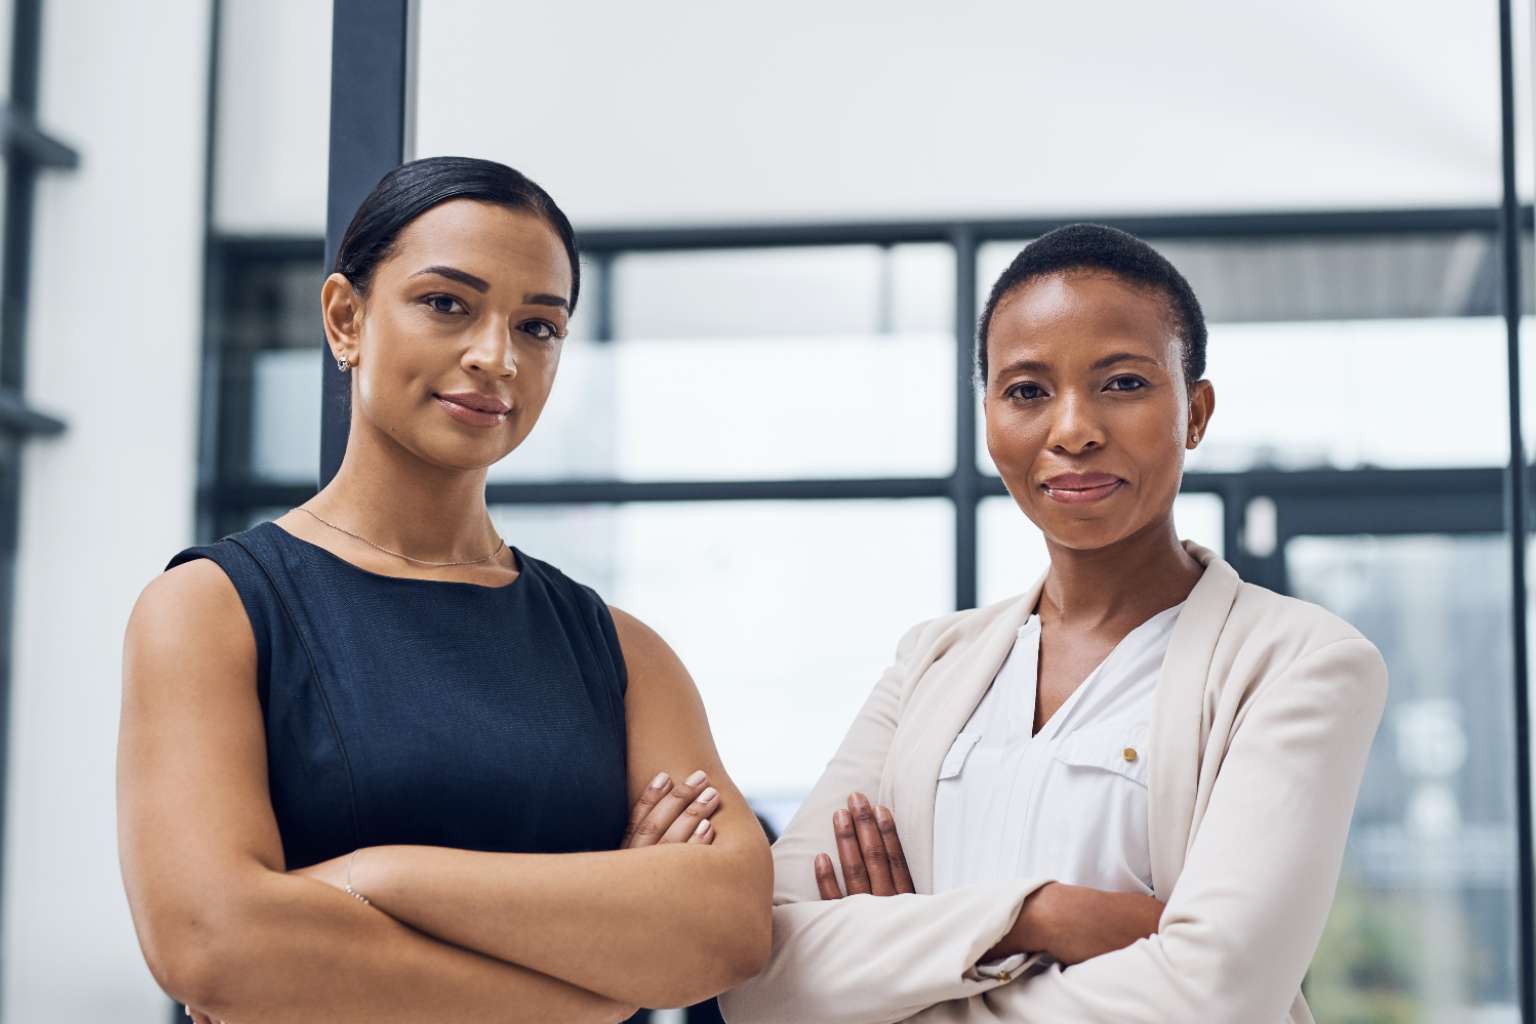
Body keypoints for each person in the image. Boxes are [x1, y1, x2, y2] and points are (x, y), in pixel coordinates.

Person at [118, 156, 771, 1024]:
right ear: (346, 319)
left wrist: (371, 877)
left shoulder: (620, 651)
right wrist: (600, 993)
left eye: (539, 327)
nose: (496, 356)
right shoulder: (212, 611)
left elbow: (726, 928)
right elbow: (212, 943)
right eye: (446, 304)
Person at [720, 224, 1387, 1024]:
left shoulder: (1299, 662)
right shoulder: (932, 663)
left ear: (1196, 412)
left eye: (1123, 384)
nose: (1073, 430)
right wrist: (1043, 916)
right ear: (990, 416)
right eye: (1028, 391)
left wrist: (904, 967)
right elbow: (759, 974)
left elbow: (1215, 995)